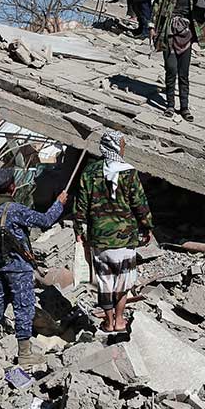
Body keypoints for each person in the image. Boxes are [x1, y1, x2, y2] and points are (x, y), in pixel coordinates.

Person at [0, 168, 67, 366]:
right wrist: (59, 204)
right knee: (24, 308)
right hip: (18, 267)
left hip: (1, 266)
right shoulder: (13, 209)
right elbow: (44, 220)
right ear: (12, 186)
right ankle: (25, 355)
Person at [73, 130, 155, 333]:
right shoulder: (129, 173)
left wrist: (79, 229)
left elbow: (80, 205)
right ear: (116, 147)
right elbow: (140, 204)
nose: (125, 148)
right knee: (123, 282)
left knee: (105, 281)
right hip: (125, 239)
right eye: (123, 145)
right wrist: (147, 226)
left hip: (99, 239)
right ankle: (120, 320)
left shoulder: (90, 172)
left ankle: (108, 322)